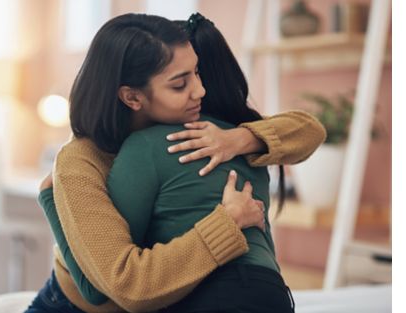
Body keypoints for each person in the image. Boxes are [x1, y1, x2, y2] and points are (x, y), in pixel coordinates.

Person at [27, 13, 325, 313]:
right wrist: (227, 222)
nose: (200, 91)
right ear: (132, 97)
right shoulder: (81, 161)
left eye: (197, 73)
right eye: (180, 84)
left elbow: (309, 130)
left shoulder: (199, 131)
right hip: (71, 305)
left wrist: (238, 139)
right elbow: (117, 287)